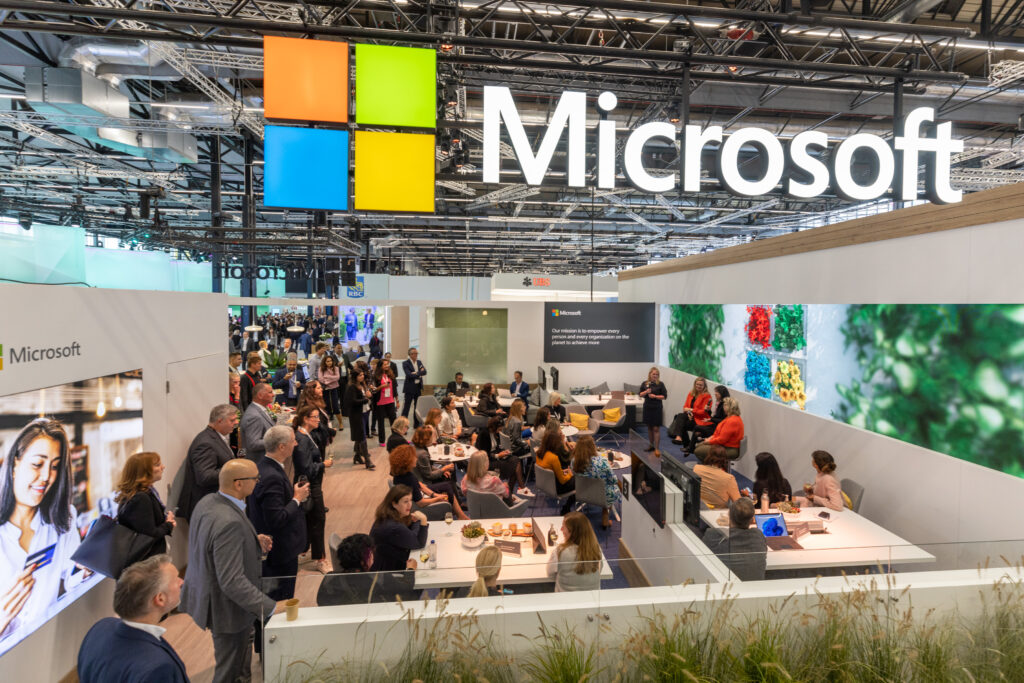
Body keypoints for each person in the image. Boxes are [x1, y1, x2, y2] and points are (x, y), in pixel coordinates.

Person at [181, 459, 275, 683]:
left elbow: (209, 548)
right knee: (229, 673)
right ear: (239, 484)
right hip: (229, 611)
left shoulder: (208, 503)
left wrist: (252, 541)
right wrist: (268, 608)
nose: (258, 482)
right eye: (255, 478)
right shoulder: (228, 522)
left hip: (215, 601)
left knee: (240, 669)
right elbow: (231, 581)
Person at [0, 419, 86, 643]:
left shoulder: (62, 519)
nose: (47, 476)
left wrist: (86, 568)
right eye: (38, 464)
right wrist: (3, 617)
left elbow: (72, 579)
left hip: (48, 647)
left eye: (55, 466)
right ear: (15, 464)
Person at [77, 555, 188, 683]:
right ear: (160, 599)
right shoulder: (158, 669)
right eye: (176, 580)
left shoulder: (99, 628)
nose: (182, 582)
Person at [247, 426, 310, 600]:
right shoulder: (271, 476)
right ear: (281, 447)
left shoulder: (264, 467)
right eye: (292, 441)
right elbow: (276, 518)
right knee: (281, 601)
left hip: (278, 551)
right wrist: (297, 498)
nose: (296, 444)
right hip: (280, 552)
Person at [316, 534, 417, 605]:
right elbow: (406, 586)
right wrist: (411, 568)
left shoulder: (329, 579)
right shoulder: (380, 579)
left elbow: (321, 601)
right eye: (370, 554)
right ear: (365, 561)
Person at [180, 405, 240, 521]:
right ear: (219, 421)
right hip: (207, 508)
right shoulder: (205, 443)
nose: (236, 422)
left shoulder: (216, 437)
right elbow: (205, 477)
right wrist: (234, 470)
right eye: (232, 420)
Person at [115, 452, 175, 565]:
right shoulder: (140, 498)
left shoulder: (143, 494)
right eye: (157, 465)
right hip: (147, 564)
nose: (163, 467)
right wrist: (169, 524)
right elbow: (150, 535)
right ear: (143, 472)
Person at [292, 406, 333, 574]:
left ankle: (304, 549)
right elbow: (306, 468)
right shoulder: (301, 439)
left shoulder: (306, 435)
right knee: (318, 520)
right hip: (310, 484)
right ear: (305, 419)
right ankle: (320, 559)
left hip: (312, 483)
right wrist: (323, 464)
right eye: (315, 417)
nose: (318, 420)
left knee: (310, 519)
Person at [390, 445, 467, 520]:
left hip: (418, 495)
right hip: (418, 506)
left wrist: (434, 494)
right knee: (448, 488)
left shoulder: (402, 473)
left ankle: (458, 513)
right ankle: (459, 515)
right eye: (414, 457)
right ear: (407, 461)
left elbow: (420, 485)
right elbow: (420, 503)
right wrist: (437, 498)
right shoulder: (409, 479)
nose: (416, 458)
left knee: (447, 485)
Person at [701, 498, 767, 581]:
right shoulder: (758, 535)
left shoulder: (713, 535)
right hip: (754, 590)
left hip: (723, 588)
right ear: (752, 520)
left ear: (729, 515)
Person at [369, 485, 429, 572]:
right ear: (394, 504)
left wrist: (415, 523)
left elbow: (411, 534)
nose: (410, 505)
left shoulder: (388, 516)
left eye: (410, 500)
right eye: (405, 501)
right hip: (387, 573)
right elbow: (419, 543)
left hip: (389, 563)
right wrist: (423, 520)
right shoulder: (393, 526)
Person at [570, 436, 621, 529]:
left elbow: (574, 475)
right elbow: (613, 480)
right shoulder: (602, 462)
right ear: (592, 447)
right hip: (602, 495)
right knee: (616, 483)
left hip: (583, 493)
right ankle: (605, 518)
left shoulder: (574, 461)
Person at [545, 511, 601, 592]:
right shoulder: (597, 549)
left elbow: (550, 575)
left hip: (566, 601)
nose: (561, 529)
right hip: (592, 601)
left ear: (572, 532)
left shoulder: (560, 551)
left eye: (563, 527)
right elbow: (599, 571)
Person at [475, 417, 531, 497]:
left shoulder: (494, 433)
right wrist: (498, 455)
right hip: (487, 462)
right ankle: (516, 490)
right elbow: (484, 454)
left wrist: (502, 452)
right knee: (515, 466)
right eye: (499, 429)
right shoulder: (484, 434)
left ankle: (513, 492)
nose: (500, 431)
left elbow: (496, 448)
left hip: (494, 457)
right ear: (494, 427)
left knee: (516, 460)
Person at [537, 426, 576, 514]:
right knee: (581, 481)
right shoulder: (553, 458)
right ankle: (566, 507)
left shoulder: (539, 453)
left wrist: (563, 472)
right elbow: (562, 480)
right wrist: (570, 474)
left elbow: (550, 471)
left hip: (545, 484)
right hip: (557, 487)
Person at [693, 397, 744, 462]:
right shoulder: (732, 417)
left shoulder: (732, 421)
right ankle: (710, 467)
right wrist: (711, 438)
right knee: (699, 446)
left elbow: (722, 440)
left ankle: (711, 468)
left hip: (729, 448)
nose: (723, 407)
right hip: (725, 445)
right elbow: (719, 434)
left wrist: (709, 441)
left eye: (725, 405)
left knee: (698, 450)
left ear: (729, 407)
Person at [343, 368, 375, 469]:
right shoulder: (351, 387)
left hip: (364, 411)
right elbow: (351, 401)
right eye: (360, 375)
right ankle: (367, 460)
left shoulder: (362, 384)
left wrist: (368, 395)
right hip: (356, 414)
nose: (362, 376)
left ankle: (357, 456)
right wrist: (365, 399)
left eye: (362, 375)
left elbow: (366, 396)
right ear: (355, 376)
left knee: (360, 435)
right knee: (362, 437)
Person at [239, 383, 276, 462]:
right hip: (258, 462)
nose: (273, 394)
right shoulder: (254, 416)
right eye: (270, 392)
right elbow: (253, 444)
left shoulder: (260, 409)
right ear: (260, 395)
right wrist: (277, 440)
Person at [670, 377, 712, 447]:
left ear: (704, 386)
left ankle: (685, 443)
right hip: (690, 416)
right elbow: (685, 407)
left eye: (701, 385)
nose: (698, 386)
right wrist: (689, 413)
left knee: (681, 424)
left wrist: (691, 410)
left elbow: (703, 412)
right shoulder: (691, 393)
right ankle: (681, 439)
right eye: (697, 384)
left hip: (700, 419)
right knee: (680, 416)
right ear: (695, 384)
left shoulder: (707, 396)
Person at [688, 385, 730, 452]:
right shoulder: (719, 403)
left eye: (717, 392)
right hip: (715, 425)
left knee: (697, 428)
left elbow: (723, 420)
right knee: (697, 430)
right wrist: (708, 410)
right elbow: (715, 416)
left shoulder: (724, 405)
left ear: (721, 394)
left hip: (718, 429)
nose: (715, 394)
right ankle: (692, 448)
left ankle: (692, 448)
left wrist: (711, 419)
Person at [639, 367, 668, 456]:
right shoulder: (645, 383)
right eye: (653, 374)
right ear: (650, 374)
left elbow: (664, 396)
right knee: (649, 428)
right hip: (647, 407)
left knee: (656, 428)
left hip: (657, 408)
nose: (655, 376)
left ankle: (657, 448)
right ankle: (651, 445)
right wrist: (646, 392)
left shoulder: (661, 384)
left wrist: (655, 396)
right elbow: (640, 394)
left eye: (657, 374)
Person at [372, 358, 398, 449]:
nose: (387, 366)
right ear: (380, 366)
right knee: (381, 422)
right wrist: (382, 386)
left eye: (387, 364)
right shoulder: (376, 376)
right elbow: (373, 390)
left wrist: (397, 401)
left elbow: (394, 389)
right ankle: (382, 440)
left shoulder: (390, 375)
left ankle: (395, 438)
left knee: (394, 421)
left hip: (390, 401)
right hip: (380, 402)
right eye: (385, 364)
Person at [401, 347, 427, 424]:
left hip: (418, 387)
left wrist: (415, 373)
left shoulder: (419, 362)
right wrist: (419, 373)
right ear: (410, 354)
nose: (416, 355)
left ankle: (416, 424)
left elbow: (425, 372)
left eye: (416, 353)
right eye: (414, 353)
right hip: (409, 388)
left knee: (417, 407)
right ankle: (403, 424)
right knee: (407, 407)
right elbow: (409, 375)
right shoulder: (405, 363)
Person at [319, 354, 342, 419]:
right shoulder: (321, 368)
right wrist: (331, 379)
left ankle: (340, 423)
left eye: (330, 361)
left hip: (334, 389)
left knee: (335, 406)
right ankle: (328, 419)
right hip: (325, 389)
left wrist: (327, 378)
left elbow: (337, 377)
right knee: (326, 405)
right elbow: (321, 378)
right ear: (325, 362)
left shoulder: (336, 368)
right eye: (327, 361)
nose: (329, 362)